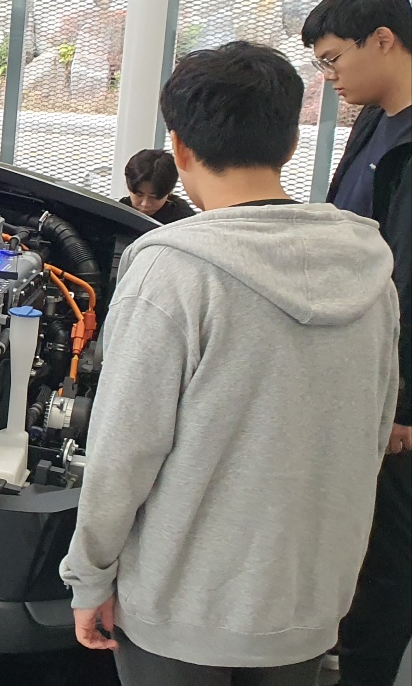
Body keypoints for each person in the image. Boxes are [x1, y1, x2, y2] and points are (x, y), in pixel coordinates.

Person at [61, 42, 401, 685]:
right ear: (291, 145)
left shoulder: (172, 273)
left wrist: (89, 576)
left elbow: (123, 451)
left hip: (180, 612)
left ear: (180, 148)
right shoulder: (369, 273)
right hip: (307, 608)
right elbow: (374, 431)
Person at [305, 0, 412, 686]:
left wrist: (403, 401)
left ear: (383, 39)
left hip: (397, 393)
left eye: (333, 58)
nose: (329, 76)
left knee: (388, 551)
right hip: (357, 366)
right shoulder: (375, 121)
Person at [118, 148, 196, 223]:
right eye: (139, 195)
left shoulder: (184, 219)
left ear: (169, 192)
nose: (145, 204)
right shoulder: (119, 211)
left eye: (154, 197)